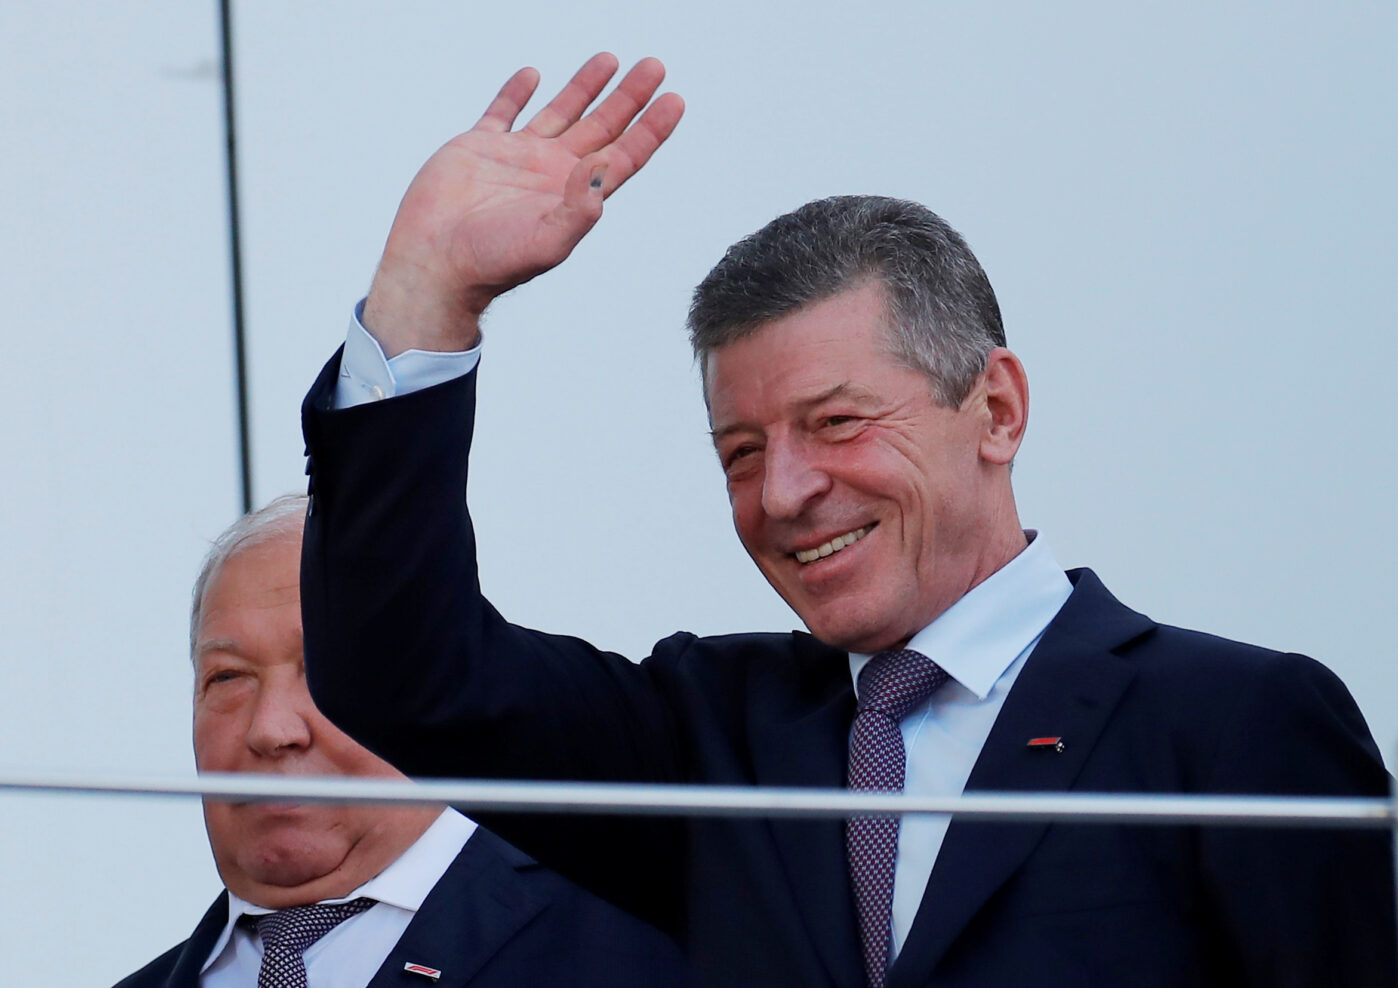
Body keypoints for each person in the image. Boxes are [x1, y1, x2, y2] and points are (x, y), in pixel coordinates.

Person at [297, 53, 1396, 987]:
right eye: (741, 452)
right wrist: (427, 295)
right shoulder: (708, 743)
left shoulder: (1232, 723)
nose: (783, 492)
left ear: (996, 409)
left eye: (836, 423)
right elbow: (406, 679)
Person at [116, 495, 689, 987]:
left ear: (426, 687)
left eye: (324, 670)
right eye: (228, 678)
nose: (271, 729)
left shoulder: (630, 946)